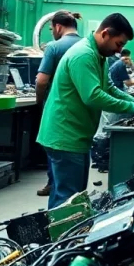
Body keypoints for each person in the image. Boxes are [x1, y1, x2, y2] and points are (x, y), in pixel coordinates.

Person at [37, 13, 134, 208]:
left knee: (70, 196)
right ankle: (62, 237)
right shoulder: (83, 55)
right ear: (105, 33)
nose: (120, 50)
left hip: (76, 136)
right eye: (118, 44)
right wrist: (133, 107)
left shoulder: (98, 56)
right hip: (65, 135)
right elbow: (93, 96)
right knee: (68, 200)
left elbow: (109, 88)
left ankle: (62, 234)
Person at [34, 10, 82, 197]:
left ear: (58, 27)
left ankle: (53, 183)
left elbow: (41, 80)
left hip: (57, 108)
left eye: (51, 28)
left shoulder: (54, 47)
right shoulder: (87, 46)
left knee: (55, 149)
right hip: (81, 113)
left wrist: (39, 101)